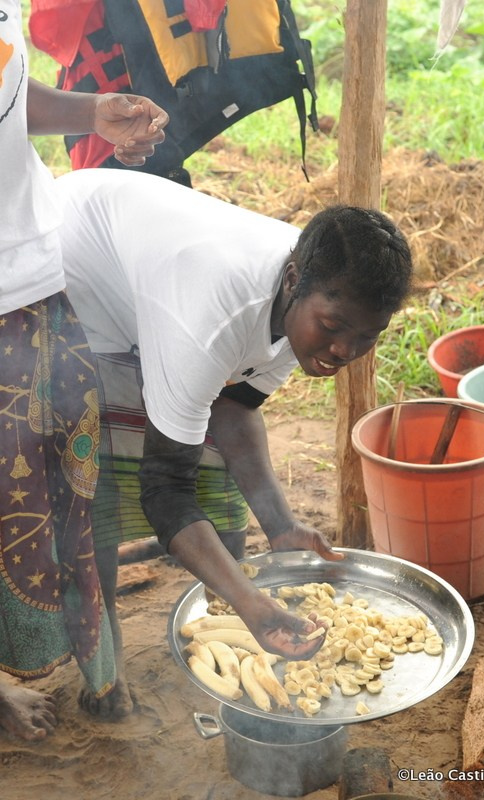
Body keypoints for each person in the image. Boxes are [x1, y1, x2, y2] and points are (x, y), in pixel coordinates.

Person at [54, 167, 414, 714]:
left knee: (209, 464)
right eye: (336, 327)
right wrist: (255, 606)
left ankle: (226, 602)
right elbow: (165, 490)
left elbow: (234, 406)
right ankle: (101, 673)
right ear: (293, 280)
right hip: (58, 277)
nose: (346, 350)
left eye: (367, 336)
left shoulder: (307, 304)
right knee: (93, 488)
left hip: (137, 286)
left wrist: (281, 525)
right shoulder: (212, 317)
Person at [0, 0, 169, 741]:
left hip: (36, 271)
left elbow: (7, 89)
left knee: (71, 486)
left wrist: (88, 112)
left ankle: (97, 673)